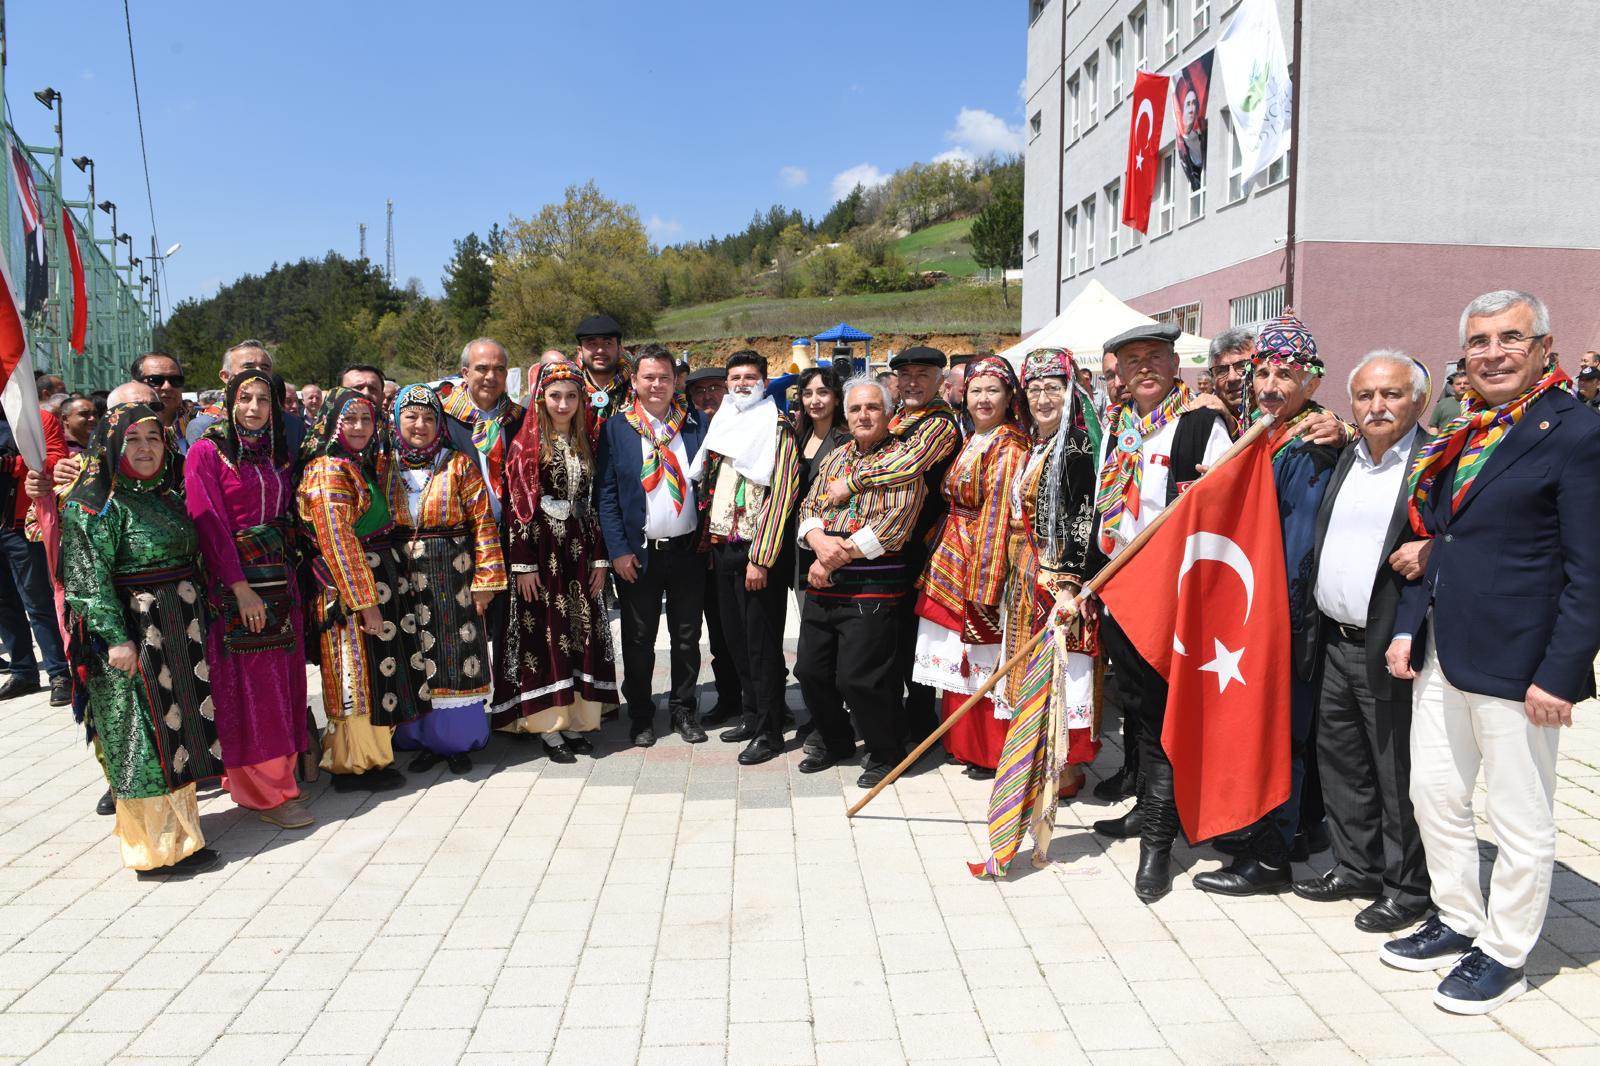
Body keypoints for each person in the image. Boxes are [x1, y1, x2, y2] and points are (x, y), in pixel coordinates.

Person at [1382, 290, 1600, 1014]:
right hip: (1446, 651)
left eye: (1510, 338)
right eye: (1478, 342)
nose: (1493, 353)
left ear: (1542, 346)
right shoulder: (1469, 430)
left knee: (1519, 817)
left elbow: (1589, 569)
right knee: (1434, 795)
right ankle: (1456, 918)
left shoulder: (1574, 431)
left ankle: (1504, 951)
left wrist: (1560, 674)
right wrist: (1414, 623)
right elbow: (1451, 538)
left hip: (1520, 665)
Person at [1193, 313, 1343, 897]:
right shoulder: (1267, 430)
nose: (1271, 384)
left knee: (1280, 737)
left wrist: (1270, 619)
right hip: (1265, 611)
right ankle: (1286, 832)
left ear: (1312, 380)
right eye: (1264, 372)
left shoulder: (1307, 442)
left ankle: (1271, 856)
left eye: (1287, 373)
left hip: (1282, 615)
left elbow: (1295, 545)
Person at [1088, 322, 1232, 902]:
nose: (1144, 368)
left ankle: (1158, 842)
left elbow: (1225, 511)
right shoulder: (1121, 428)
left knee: (1167, 718)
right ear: (1119, 372)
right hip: (1122, 587)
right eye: (1132, 360)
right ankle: (1147, 808)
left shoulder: (1203, 424)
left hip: (1176, 594)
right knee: (1141, 712)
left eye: (1155, 357)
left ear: (1176, 365)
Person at [1290, 351, 1431, 932]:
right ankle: (1355, 866)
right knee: (1342, 761)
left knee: (1395, 770)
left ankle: (1408, 888)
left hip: (1390, 644)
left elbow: (1467, 529)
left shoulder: (1434, 461)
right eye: (1367, 396)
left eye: (1392, 395)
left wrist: (1435, 550)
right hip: (1333, 639)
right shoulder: (1347, 455)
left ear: (1418, 401)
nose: (1377, 406)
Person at [60, 403, 223, 876]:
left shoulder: (166, 496)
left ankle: (185, 839)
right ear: (113, 445)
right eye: (134, 439)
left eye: (153, 437)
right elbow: (87, 582)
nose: (146, 448)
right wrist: (116, 639)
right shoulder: (94, 504)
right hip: (130, 639)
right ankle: (153, 852)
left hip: (178, 631)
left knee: (179, 731)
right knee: (142, 739)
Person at [971, 348, 1103, 878]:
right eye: (1035, 389)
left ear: (1071, 390)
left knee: (1054, 678)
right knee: (1026, 676)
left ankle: (1055, 772)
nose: (1044, 398)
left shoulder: (1074, 446)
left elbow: (1081, 517)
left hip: (1056, 580)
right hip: (1027, 570)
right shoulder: (1040, 443)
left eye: (1054, 387)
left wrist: (1066, 583)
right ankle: (1039, 768)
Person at [185, 369, 312, 829]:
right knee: (252, 688)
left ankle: (272, 776)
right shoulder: (208, 452)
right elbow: (208, 522)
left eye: (263, 399)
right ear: (229, 401)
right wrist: (239, 588)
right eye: (245, 398)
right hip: (235, 586)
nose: (254, 408)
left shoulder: (278, 455)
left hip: (281, 583)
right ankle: (265, 791)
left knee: (282, 682)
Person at [794, 377, 928, 785]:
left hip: (872, 583)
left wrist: (832, 557)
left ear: (889, 413)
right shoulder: (836, 458)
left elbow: (893, 527)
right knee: (811, 671)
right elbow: (808, 506)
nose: (863, 415)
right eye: (855, 409)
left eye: (872, 407)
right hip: (823, 580)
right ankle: (835, 741)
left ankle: (886, 751)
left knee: (860, 677)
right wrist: (817, 540)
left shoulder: (903, 461)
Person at [827, 346, 961, 749]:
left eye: (923, 374)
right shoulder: (900, 416)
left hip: (922, 544)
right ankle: (890, 719)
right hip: (885, 545)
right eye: (905, 376)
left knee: (912, 641)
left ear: (941, 379)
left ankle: (918, 727)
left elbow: (907, 465)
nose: (913, 382)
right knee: (891, 641)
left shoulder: (939, 424)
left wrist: (850, 483)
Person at [298, 387, 427, 792]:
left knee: (372, 672)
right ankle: (351, 763)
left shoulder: (355, 464)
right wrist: (365, 604)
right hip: (347, 593)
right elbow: (338, 542)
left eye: (366, 420)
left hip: (371, 583)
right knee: (352, 673)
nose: (358, 427)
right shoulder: (327, 470)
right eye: (349, 419)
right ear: (333, 423)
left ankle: (372, 757)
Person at [911, 356, 1031, 779]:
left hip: (982, 558)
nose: (983, 399)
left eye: (992, 391)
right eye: (976, 390)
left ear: (1009, 396)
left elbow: (999, 516)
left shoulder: (1009, 445)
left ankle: (989, 750)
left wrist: (987, 586)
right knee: (958, 658)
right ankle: (963, 743)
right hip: (954, 551)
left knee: (981, 655)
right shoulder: (977, 437)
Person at [492, 362, 618, 755]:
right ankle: (548, 724)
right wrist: (523, 564)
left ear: (581, 399)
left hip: (580, 549)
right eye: (555, 395)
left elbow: (597, 502)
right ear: (541, 399)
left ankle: (577, 719)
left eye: (571, 396)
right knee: (544, 632)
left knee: (580, 630)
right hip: (543, 552)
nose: (563, 403)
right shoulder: (525, 446)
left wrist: (600, 559)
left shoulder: (588, 441)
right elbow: (517, 508)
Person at [385, 385, 506, 775]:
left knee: (456, 654)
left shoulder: (458, 465)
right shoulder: (383, 467)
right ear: (396, 420)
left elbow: (483, 524)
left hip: (454, 577)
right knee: (413, 656)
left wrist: (485, 581)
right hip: (403, 579)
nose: (419, 425)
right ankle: (420, 739)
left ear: (439, 423)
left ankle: (457, 741)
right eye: (411, 416)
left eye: (428, 417)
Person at [689, 352, 801, 765]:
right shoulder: (725, 420)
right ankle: (752, 715)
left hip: (757, 550)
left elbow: (783, 494)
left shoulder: (778, 426)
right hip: (724, 546)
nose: (740, 383)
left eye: (749, 376)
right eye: (734, 377)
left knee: (762, 644)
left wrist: (762, 558)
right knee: (736, 639)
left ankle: (771, 731)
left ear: (763, 381)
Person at [596, 343, 710, 747]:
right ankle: (641, 715)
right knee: (639, 640)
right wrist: (617, 551)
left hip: (687, 552)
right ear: (635, 381)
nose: (657, 384)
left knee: (686, 637)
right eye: (649, 377)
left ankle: (683, 710)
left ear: (674, 380)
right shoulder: (617, 429)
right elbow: (606, 496)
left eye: (664, 377)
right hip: (639, 556)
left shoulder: (695, 424)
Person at [0, 404, 70, 705]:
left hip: (21, 526)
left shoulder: (37, 417)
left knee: (38, 601)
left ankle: (60, 673)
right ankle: (23, 671)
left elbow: (57, 463)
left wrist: (13, 465)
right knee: (3, 603)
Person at [684, 365, 742, 724]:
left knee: (750, 630)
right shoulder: (688, 432)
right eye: (700, 390)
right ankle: (729, 697)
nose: (708, 396)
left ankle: (766, 701)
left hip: (739, 546)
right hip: (699, 551)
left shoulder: (745, 428)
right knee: (718, 632)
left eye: (716, 387)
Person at [442, 340, 526, 524]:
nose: (491, 377)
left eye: (499, 369)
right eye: (482, 368)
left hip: (515, 532)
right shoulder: (443, 419)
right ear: (465, 373)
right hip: (465, 534)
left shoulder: (523, 419)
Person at [186, 340, 275, 444]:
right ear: (225, 376)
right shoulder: (202, 426)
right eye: (248, 367)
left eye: (265, 368)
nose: (259, 372)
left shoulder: (286, 423)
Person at [576, 314, 634, 433]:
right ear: (580, 351)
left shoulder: (636, 387)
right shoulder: (572, 389)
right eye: (592, 344)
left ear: (620, 349)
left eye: (607, 343)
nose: (600, 350)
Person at [131, 352, 190, 450]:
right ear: (136, 385)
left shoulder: (202, 429)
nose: (167, 387)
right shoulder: (121, 432)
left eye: (175, 380)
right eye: (155, 380)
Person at [1207, 327, 1254, 417]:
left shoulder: (1281, 419)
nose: (1232, 378)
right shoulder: (1206, 422)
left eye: (1243, 365)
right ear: (1213, 379)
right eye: (1221, 370)